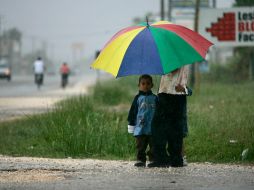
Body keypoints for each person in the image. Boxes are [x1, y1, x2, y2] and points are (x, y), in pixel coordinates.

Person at [148, 65, 192, 168]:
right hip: (168, 94)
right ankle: (173, 158)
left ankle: (166, 158)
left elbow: (172, 68)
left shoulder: (176, 57)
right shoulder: (181, 55)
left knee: (162, 128)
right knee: (172, 129)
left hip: (172, 95)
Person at [127, 74, 158, 167]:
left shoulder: (155, 98)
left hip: (152, 127)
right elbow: (133, 112)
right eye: (143, 83)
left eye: (148, 83)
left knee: (153, 145)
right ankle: (141, 160)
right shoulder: (137, 98)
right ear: (139, 85)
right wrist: (131, 124)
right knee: (140, 145)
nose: (145, 86)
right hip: (140, 127)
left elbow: (159, 112)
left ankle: (153, 159)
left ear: (152, 85)